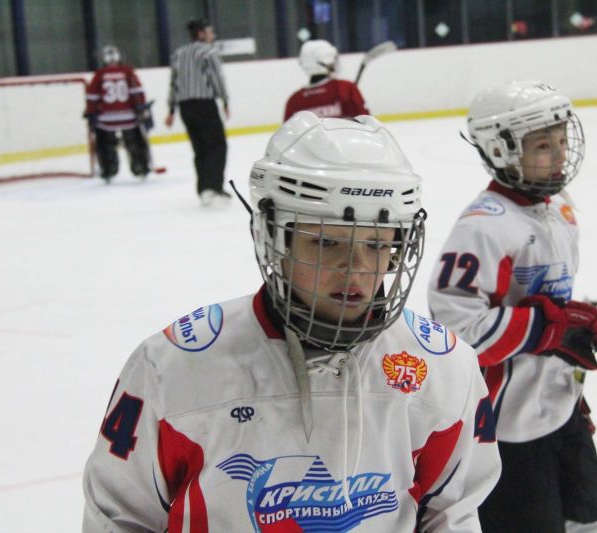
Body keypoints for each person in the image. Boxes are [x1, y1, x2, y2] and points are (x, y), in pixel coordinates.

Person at [82, 111, 501, 532]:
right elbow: (118, 517)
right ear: (273, 237)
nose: (356, 267)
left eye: (377, 245)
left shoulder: (443, 370)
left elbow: (451, 514)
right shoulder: (175, 368)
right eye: (326, 241)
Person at [427, 81, 597, 532]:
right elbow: (455, 331)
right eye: (542, 145)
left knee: (590, 523)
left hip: (560, 409)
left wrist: (574, 324)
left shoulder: (558, 209)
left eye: (561, 141)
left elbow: (549, 305)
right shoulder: (483, 228)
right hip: (506, 428)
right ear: (501, 151)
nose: (560, 154)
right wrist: (549, 328)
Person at [165, 18, 230, 207]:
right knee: (217, 146)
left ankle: (203, 188)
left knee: (200, 148)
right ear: (201, 33)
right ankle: (213, 187)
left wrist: (171, 109)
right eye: (209, 32)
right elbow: (217, 78)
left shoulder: (178, 53)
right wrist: (225, 100)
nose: (212, 35)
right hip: (204, 104)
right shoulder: (208, 52)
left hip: (185, 107)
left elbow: (174, 82)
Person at [84, 44, 152, 181]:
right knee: (134, 141)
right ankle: (140, 166)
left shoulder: (99, 74)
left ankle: (108, 169)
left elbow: (92, 96)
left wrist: (91, 113)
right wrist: (141, 108)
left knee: (105, 143)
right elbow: (137, 92)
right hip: (129, 117)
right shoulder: (127, 71)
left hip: (106, 119)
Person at [283, 40, 369, 122]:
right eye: (332, 59)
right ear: (323, 62)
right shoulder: (345, 88)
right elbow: (367, 123)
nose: (334, 63)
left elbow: (288, 131)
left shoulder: (294, 100)